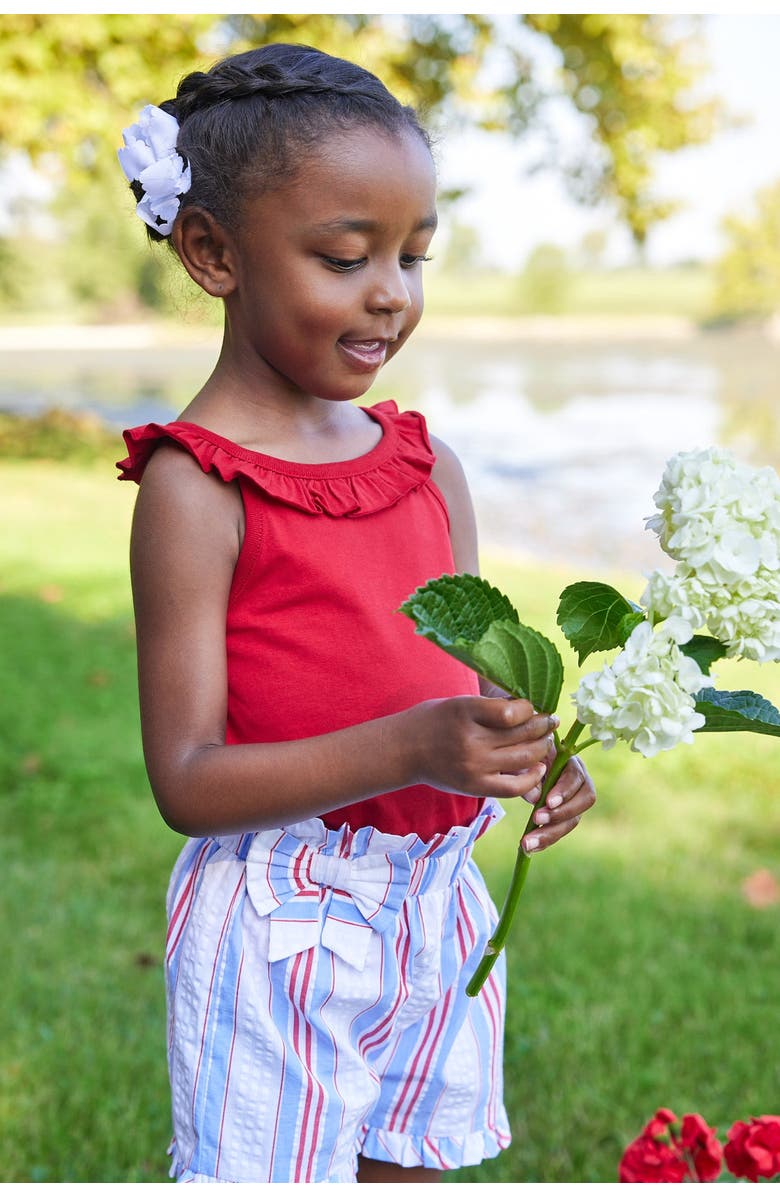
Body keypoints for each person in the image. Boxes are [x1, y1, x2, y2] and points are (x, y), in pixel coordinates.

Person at [116, 43, 595, 1185]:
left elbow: (482, 690)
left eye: (414, 255)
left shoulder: (429, 467)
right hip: (279, 924)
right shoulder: (198, 488)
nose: (393, 292)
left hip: (437, 906)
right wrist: (412, 746)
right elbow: (187, 780)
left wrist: (534, 753)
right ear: (213, 252)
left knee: (412, 1167)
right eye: (346, 257)